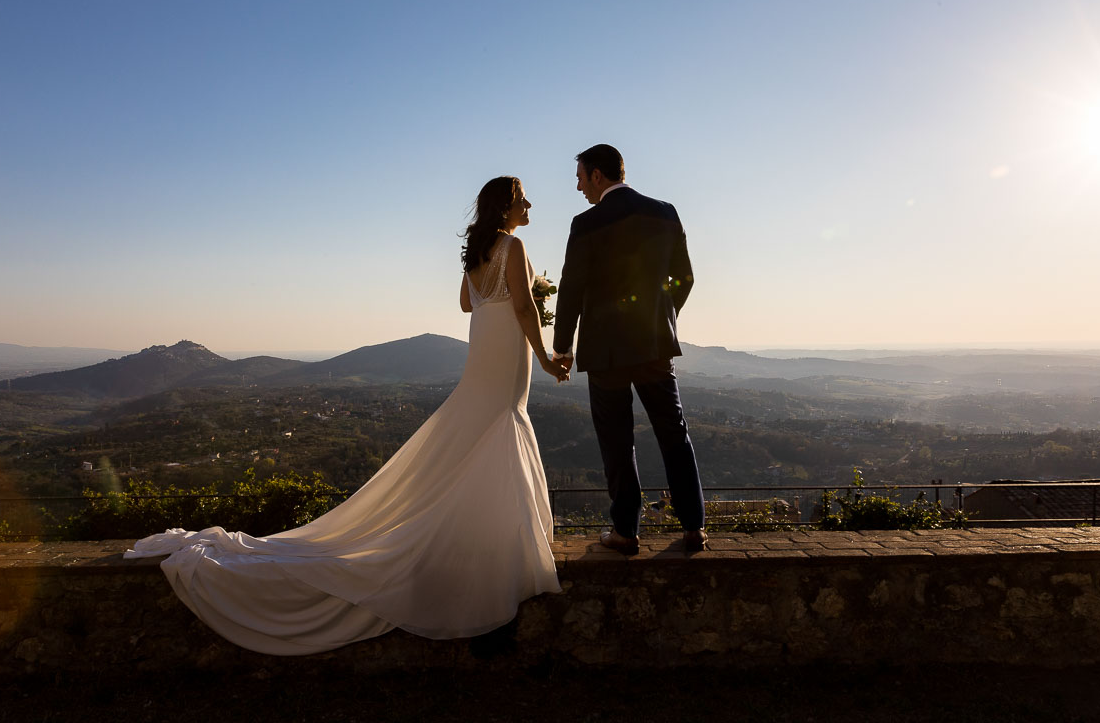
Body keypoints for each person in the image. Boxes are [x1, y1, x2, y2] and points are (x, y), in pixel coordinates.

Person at [125, 176, 567, 655]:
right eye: (522, 198)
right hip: (506, 361)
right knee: (499, 431)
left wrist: (512, 294)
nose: (528, 204)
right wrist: (544, 356)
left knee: (479, 436)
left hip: (482, 358)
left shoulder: (478, 253)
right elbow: (521, 305)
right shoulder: (514, 246)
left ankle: (491, 546)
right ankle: (505, 555)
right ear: (507, 206)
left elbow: (467, 303)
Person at [552, 144, 706, 555]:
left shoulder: (586, 223)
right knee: (674, 434)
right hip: (655, 344)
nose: (579, 186)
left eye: (581, 177)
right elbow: (685, 278)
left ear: (598, 176)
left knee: (617, 442)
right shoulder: (665, 212)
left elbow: (571, 291)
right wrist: (661, 317)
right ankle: (694, 527)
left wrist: (562, 348)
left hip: (605, 351)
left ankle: (626, 532)